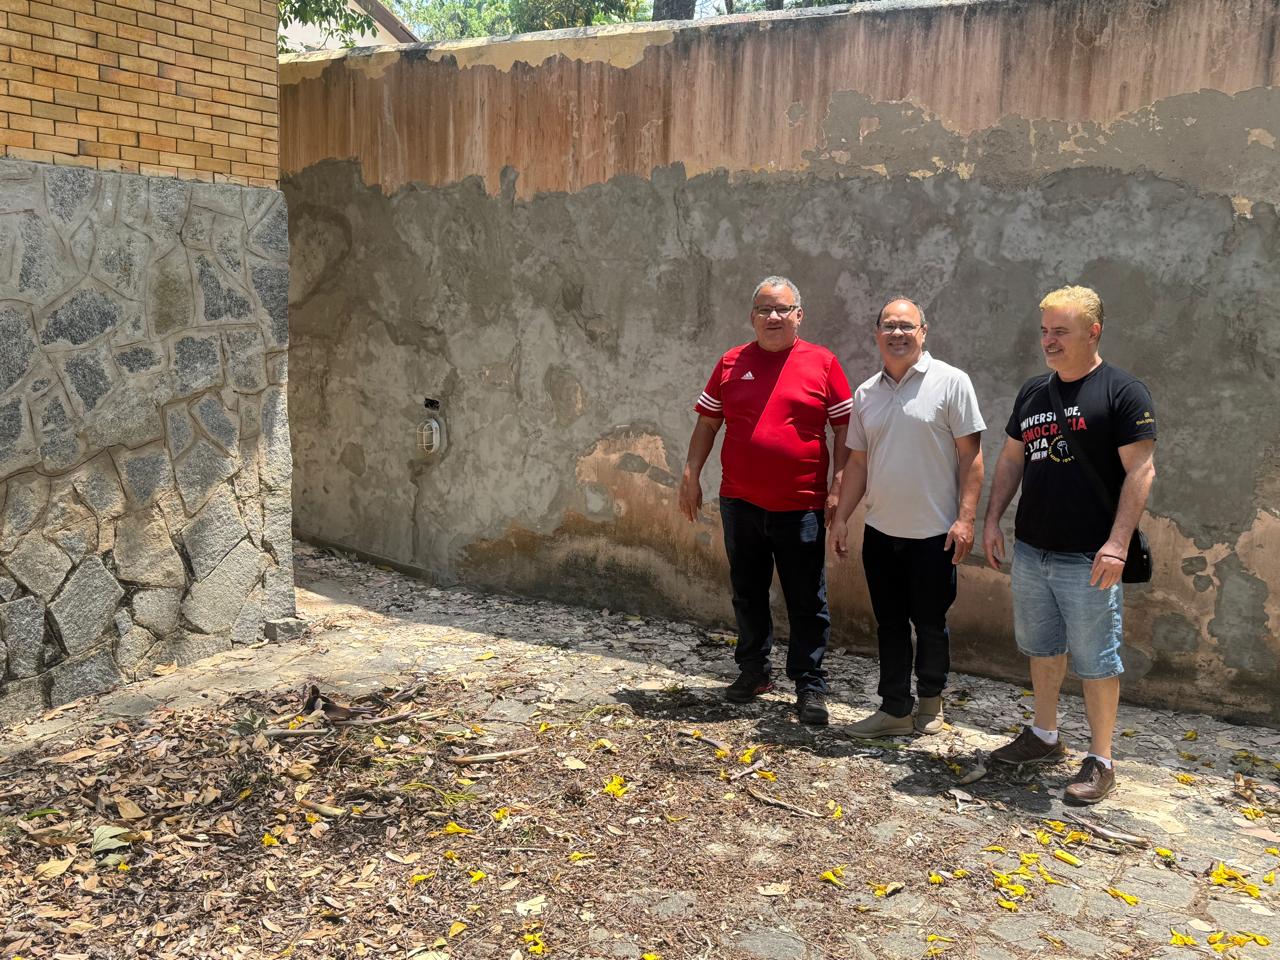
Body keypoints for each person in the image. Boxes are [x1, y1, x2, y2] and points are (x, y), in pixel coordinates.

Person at [982, 285, 1156, 804]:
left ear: (1093, 331)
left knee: (1097, 660)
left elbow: (1141, 471)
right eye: (1045, 331)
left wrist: (1117, 544)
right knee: (1042, 648)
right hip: (1033, 549)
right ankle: (1044, 735)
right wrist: (993, 521)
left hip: (1089, 556)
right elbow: (1011, 459)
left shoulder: (1124, 392)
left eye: (1060, 331)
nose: (1049, 341)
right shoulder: (1034, 392)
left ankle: (1102, 760)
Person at [679, 277, 853, 726]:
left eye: (782, 309)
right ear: (752, 316)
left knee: (806, 598)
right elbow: (707, 423)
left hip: (801, 505)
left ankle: (809, 684)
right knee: (748, 591)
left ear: (799, 315)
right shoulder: (731, 362)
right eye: (764, 309)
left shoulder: (824, 363)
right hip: (740, 502)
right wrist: (691, 473)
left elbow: (845, 429)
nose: (773, 317)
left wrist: (838, 484)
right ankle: (754, 670)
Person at [830, 298, 985, 738]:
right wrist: (842, 518)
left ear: (923, 331)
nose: (897, 333)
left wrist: (966, 519)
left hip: (934, 535)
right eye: (889, 326)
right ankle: (895, 709)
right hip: (881, 533)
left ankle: (931, 704)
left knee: (931, 625)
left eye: (906, 326)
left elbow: (971, 458)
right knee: (890, 626)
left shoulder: (952, 382)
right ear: (876, 333)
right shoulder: (866, 393)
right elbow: (858, 463)